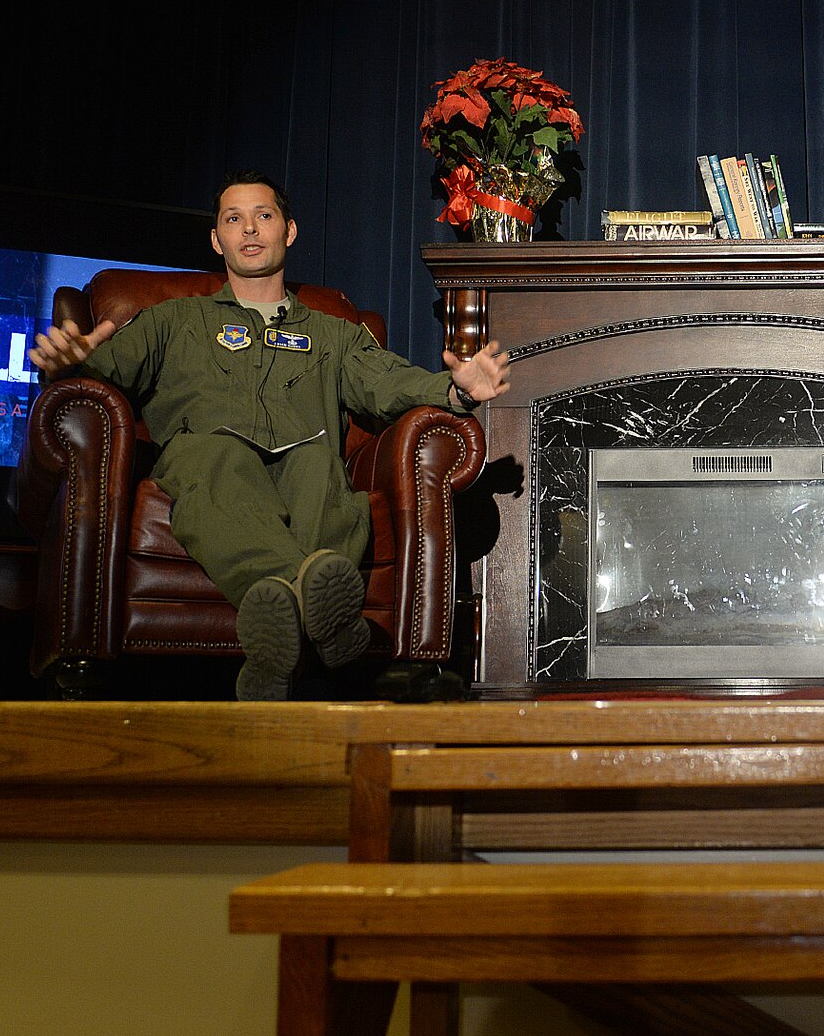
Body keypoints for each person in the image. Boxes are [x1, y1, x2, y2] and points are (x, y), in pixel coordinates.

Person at [27, 171, 511, 700]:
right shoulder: (172, 321)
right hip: (207, 460)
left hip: (303, 462)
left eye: (264, 216)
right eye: (233, 219)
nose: (250, 230)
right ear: (217, 239)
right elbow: (103, 371)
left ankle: (274, 654)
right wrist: (70, 367)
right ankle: (325, 617)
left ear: (290, 231)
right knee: (215, 458)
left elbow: (386, 382)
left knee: (318, 465)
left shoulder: (333, 332)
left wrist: (457, 392)